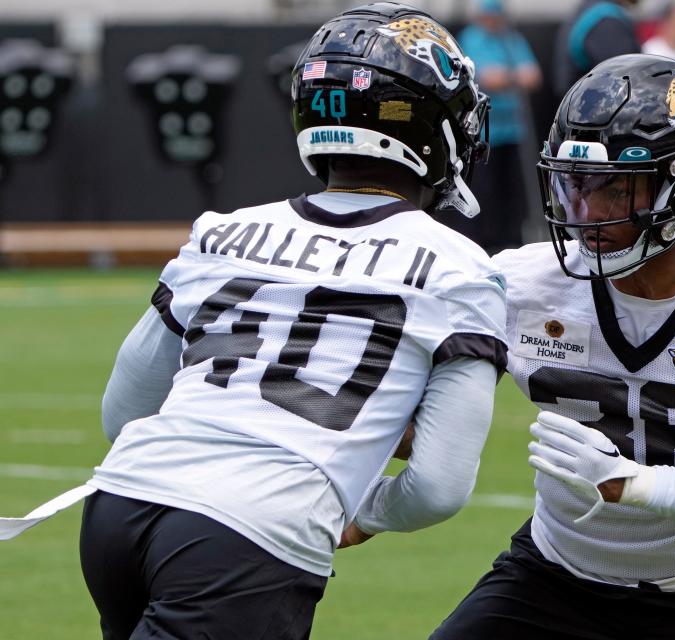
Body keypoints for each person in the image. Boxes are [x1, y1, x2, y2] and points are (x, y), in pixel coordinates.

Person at [2, 4, 508, 638]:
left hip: (121, 508)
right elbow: (438, 486)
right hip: (250, 530)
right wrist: (360, 509)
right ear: (430, 127)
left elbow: (123, 412)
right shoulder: (460, 268)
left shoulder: (224, 230)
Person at [430, 53, 675, 640]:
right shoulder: (518, 285)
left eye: (614, 190)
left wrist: (635, 485)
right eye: (574, 186)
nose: (586, 214)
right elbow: (411, 407)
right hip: (553, 576)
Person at [452, 0, 542, 253]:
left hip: (514, 130)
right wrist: (514, 77)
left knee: (512, 191)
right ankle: (480, 243)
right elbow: (488, 77)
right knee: (483, 190)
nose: (493, 20)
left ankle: (511, 241)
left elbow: (533, 76)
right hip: (483, 133)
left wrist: (507, 77)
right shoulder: (470, 39)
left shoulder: (512, 39)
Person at [554, 0, 642, 98]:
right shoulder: (607, 19)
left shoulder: (590, 9)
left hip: (575, 100)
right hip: (591, 104)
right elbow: (626, 78)